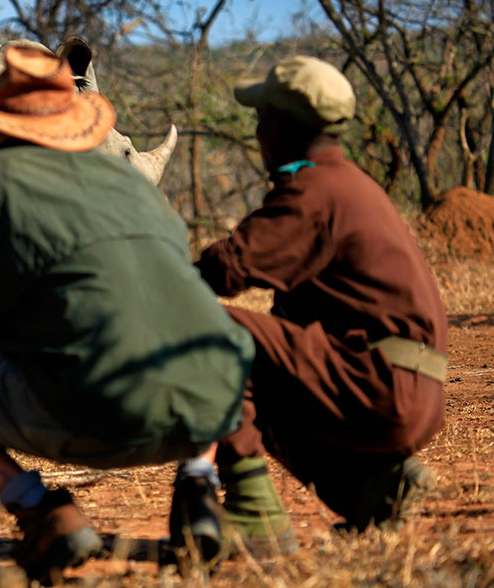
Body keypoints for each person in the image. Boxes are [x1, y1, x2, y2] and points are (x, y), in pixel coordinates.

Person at [0, 45, 256, 581]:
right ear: (79, 129)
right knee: (205, 339)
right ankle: (199, 485)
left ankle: (41, 512)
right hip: (208, 406)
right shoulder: (134, 185)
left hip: (84, 414)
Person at [179, 55, 447, 554]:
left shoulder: (315, 191)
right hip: (410, 388)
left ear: (284, 125)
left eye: (262, 119)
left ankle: (255, 514)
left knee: (204, 328)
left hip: (380, 386)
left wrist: (156, 275)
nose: (257, 132)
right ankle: (375, 490)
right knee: (261, 379)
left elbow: (225, 271)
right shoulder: (348, 184)